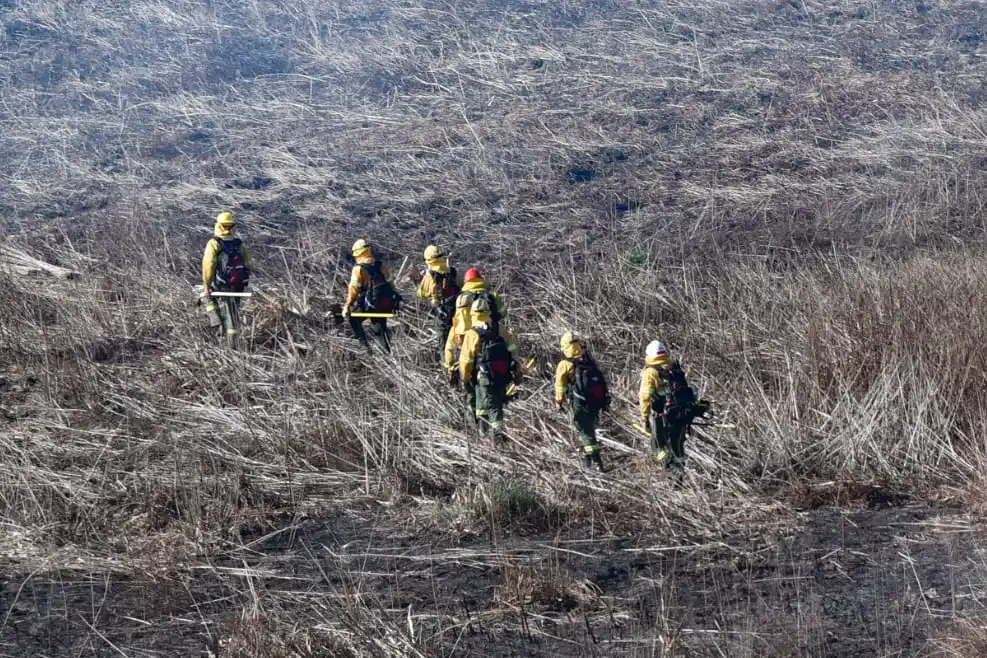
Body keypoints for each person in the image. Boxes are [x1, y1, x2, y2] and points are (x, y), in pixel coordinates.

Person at [458, 297, 521, 442]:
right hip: (502, 375)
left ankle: (496, 437)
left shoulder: (472, 334)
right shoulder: (500, 329)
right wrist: (517, 372)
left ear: (472, 314)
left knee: (491, 407)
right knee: (490, 404)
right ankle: (488, 438)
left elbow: (465, 360)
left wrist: (465, 378)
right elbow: (513, 351)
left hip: (483, 377)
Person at [639, 341, 696, 482]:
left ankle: (671, 469)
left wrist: (644, 417)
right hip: (681, 414)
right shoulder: (674, 368)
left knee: (657, 447)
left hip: (662, 416)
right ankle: (680, 472)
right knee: (678, 444)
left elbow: (645, 396)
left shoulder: (650, 372)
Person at [555, 331, 610, 471]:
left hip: (579, 403)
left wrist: (559, 401)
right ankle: (587, 460)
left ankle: (597, 462)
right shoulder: (587, 360)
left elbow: (560, 385)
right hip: (595, 402)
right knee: (588, 429)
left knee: (585, 432)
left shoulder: (565, 364)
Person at [444, 267, 507, 386]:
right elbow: (503, 312)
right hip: (489, 337)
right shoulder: (491, 294)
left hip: (466, 339)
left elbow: (456, 324)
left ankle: (464, 382)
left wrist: (450, 366)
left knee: (461, 358)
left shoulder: (461, 298)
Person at [201, 211, 252, 346]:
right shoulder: (238, 244)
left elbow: (208, 266)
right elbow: (248, 264)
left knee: (205, 296)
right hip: (237, 285)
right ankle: (233, 346)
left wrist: (207, 286)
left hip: (221, 284)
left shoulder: (214, 243)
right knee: (233, 313)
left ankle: (217, 322)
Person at [344, 239, 401, 353]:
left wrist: (348, 306)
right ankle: (386, 354)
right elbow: (391, 284)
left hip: (369, 304)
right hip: (384, 304)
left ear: (357, 253)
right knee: (380, 329)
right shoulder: (380, 265)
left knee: (353, 318)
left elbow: (353, 290)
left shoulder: (358, 269)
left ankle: (364, 347)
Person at [416, 245, 462, 356]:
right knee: (458, 341)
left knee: (444, 344)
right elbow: (461, 286)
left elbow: (421, 294)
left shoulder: (430, 276)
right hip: (457, 312)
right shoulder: (452, 271)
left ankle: (446, 366)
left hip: (442, 314)